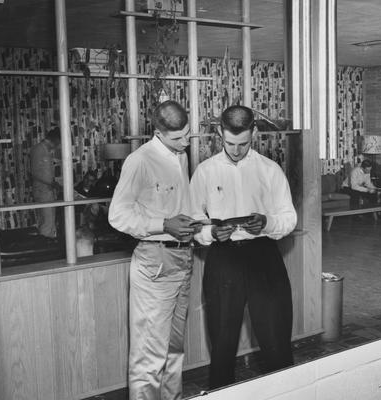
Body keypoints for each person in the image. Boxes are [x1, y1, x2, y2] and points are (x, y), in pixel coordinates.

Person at [190, 105, 297, 390]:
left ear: (255, 133)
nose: (236, 150)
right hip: (223, 260)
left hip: (264, 257)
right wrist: (211, 231)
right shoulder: (204, 172)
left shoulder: (270, 170)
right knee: (223, 347)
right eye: (230, 143)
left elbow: (289, 219)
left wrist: (266, 222)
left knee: (276, 343)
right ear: (218, 135)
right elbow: (193, 223)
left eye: (243, 144)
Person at [108, 100, 197, 400]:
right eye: (177, 138)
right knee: (149, 360)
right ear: (158, 132)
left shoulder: (180, 156)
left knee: (174, 352)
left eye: (187, 134)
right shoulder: (140, 160)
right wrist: (164, 224)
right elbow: (118, 216)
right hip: (154, 262)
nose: (185, 142)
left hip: (184, 258)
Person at [30, 127, 61, 239]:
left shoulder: (46, 151)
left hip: (48, 192)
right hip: (42, 192)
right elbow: (35, 172)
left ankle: (51, 246)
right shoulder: (38, 150)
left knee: (51, 223)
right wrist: (51, 183)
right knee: (46, 223)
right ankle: (45, 248)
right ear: (56, 140)